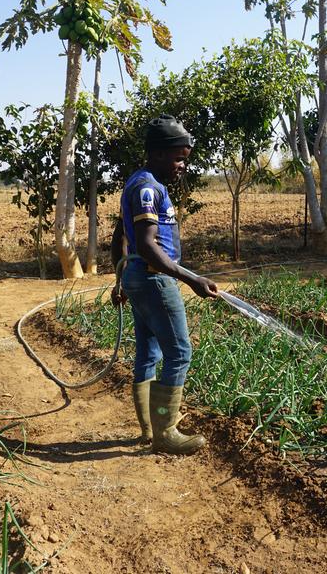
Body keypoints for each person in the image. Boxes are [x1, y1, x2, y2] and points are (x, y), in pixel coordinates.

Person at [113, 114, 219, 455]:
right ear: (157, 154)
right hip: (154, 279)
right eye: (178, 158)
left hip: (138, 278)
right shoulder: (148, 189)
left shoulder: (140, 182)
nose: (182, 166)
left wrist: (120, 279)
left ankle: (149, 426)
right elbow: (145, 245)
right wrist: (191, 278)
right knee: (179, 352)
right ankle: (166, 432)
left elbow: (120, 234)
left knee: (149, 352)